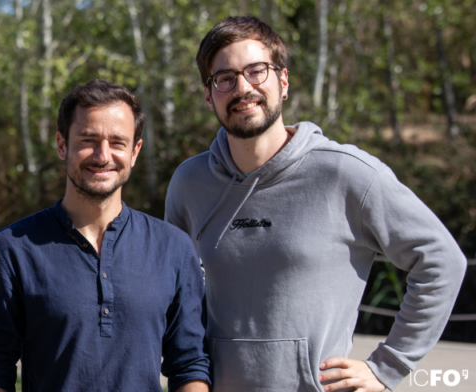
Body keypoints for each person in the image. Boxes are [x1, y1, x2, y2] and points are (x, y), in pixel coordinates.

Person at [165, 16, 467, 392]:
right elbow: (176, 294)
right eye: (224, 78)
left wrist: (387, 366)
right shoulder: (190, 183)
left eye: (256, 71)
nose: (243, 87)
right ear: (209, 95)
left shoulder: (346, 174)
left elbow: (441, 260)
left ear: (284, 81)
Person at [0, 80, 210, 392]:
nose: (102, 155)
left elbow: (190, 364)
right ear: (61, 144)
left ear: (135, 151)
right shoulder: (11, 249)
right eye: (88, 140)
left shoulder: (174, 247)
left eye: (117, 142)